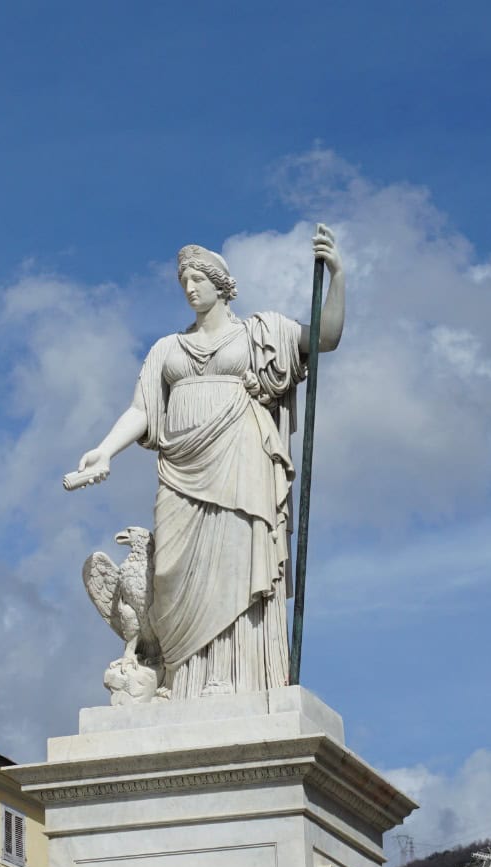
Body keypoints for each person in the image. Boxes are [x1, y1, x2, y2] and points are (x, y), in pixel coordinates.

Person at [69, 228, 344, 697]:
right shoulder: (166, 349)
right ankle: (179, 679)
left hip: (241, 463)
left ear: (222, 285)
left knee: (238, 562)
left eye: (198, 279)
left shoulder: (261, 333)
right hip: (179, 473)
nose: (191, 289)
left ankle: (239, 678)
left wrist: (337, 275)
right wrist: (105, 449)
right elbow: (141, 409)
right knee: (171, 572)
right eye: (185, 283)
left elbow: (324, 338)